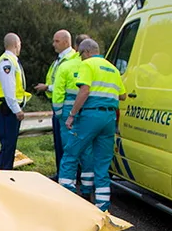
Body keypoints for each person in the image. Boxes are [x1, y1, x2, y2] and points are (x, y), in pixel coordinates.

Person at [59, 38, 126, 212]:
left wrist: (71, 115)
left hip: (91, 115)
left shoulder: (88, 65)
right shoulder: (112, 68)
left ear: (86, 52)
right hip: (109, 117)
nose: (81, 59)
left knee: (71, 153)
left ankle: (65, 200)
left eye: (81, 55)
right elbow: (123, 95)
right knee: (102, 165)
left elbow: (85, 90)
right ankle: (102, 208)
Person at [35, 30, 85, 178]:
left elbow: (61, 86)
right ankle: (62, 174)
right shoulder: (60, 59)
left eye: (56, 41)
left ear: (66, 42)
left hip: (65, 107)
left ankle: (68, 177)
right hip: (59, 105)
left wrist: (47, 87)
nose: (53, 44)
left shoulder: (71, 60)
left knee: (67, 145)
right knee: (60, 144)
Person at [0, 33, 31, 170]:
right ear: (16, 44)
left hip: (7, 108)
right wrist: (17, 110)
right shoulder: (7, 61)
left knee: (10, 145)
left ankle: (5, 172)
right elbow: (9, 89)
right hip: (6, 109)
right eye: (20, 45)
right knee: (8, 145)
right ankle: (4, 174)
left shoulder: (9, 60)